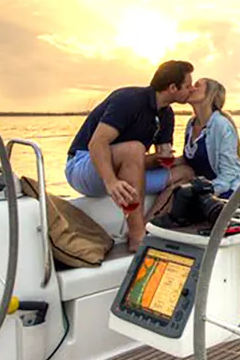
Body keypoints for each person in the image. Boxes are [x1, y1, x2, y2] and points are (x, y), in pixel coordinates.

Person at [65, 60, 195, 250]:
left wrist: (172, 159)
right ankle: (137, 237)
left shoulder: (166, 115)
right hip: (86, 167)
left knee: (185, 173)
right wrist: (111, 182)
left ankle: (150, 225)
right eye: (188, 86)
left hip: (126, 171)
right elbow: (97, 144)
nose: (191, 89)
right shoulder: (129, 100)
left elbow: (158, 159)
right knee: (134, 149)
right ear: (173, 87)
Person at [150, 78, 240, 226]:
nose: (190, 88)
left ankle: (151, 227)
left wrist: (201, 192)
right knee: (177, 187)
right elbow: (191, 157)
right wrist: (164, 160)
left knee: (182, 196)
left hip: (226, 194)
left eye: (197, 86)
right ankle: (148, 226)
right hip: (205, 191)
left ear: (210, 94)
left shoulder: (221, 125)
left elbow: (228, 175)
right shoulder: (191, 124)